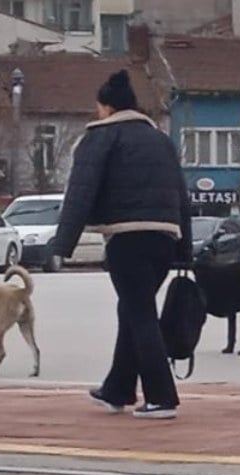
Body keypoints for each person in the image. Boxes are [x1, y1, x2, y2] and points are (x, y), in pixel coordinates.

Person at [54, 70, 193, 420]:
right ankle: (117, 388)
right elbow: (181, 195)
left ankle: (162, 397)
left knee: (140, 313)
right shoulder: (160, 140)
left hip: (127, 238)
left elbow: (80, 191)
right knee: (131, 309)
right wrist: (184, 247)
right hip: (164, 237)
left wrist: (61, 243)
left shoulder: (102, 136)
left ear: (106, 106)